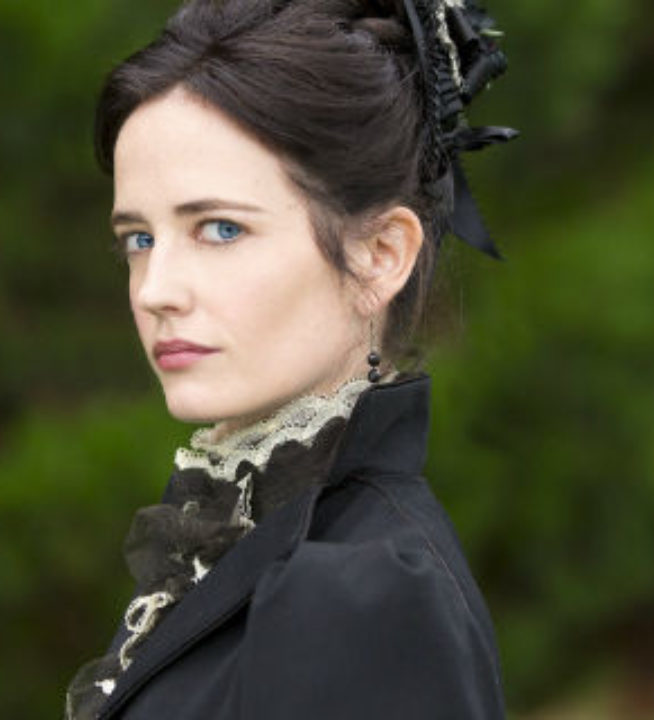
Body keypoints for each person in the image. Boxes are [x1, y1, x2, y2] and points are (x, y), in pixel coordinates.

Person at [66, 0, 516, 717]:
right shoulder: (244, 543)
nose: (155, 291)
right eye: (139, 239)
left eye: (219, 229)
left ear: (380, 255)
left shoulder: (365, 596)